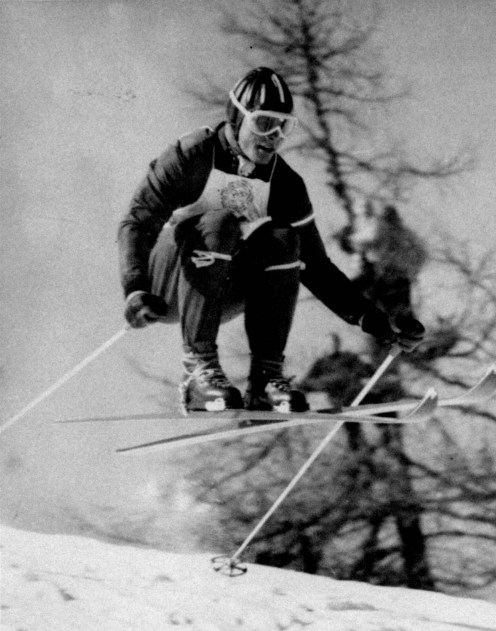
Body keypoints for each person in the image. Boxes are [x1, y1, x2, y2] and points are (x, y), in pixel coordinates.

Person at [118, 67, 425, 414]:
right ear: (237, 119)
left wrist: (378, 322)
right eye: (264, 123)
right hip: (169, 282)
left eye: (284, 126)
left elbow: (317, 267)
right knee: (221, 222)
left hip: (220, 289)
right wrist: (135, 288)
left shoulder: (285, 185)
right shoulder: (194, 155)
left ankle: (265, 379)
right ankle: (198, 373)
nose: (274, 136)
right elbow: (137, 222)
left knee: (283, 240)